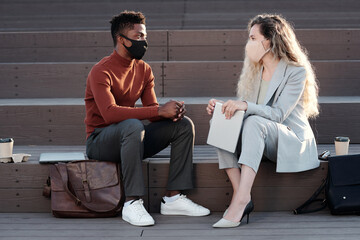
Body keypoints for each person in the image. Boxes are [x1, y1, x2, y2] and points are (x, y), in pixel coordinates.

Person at [85, 11, 210, 227]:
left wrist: (171, 113)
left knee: (182, 126)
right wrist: (158, 111)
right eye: (139, 36)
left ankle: (172, 198)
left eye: (145, 36)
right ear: (121, 39)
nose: (144, 41)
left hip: (130, 139)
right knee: (132, 125)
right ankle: (132, 202)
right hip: (100, 141)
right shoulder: (101, 71)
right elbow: (110, 113)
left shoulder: (143, 69)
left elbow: (152, 111)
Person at [207, 14, 320, 228]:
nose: (248, 44)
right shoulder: (254, 71)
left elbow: (277, 114)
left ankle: (240, 200)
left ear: (268, 41)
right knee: (220, 122)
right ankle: (242, 195)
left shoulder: (296, 72)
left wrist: (245, 106)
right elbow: (246, 109)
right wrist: (223, 108)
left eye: (252, 38)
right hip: (260, 136)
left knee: (254, 122)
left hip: (290, 140)